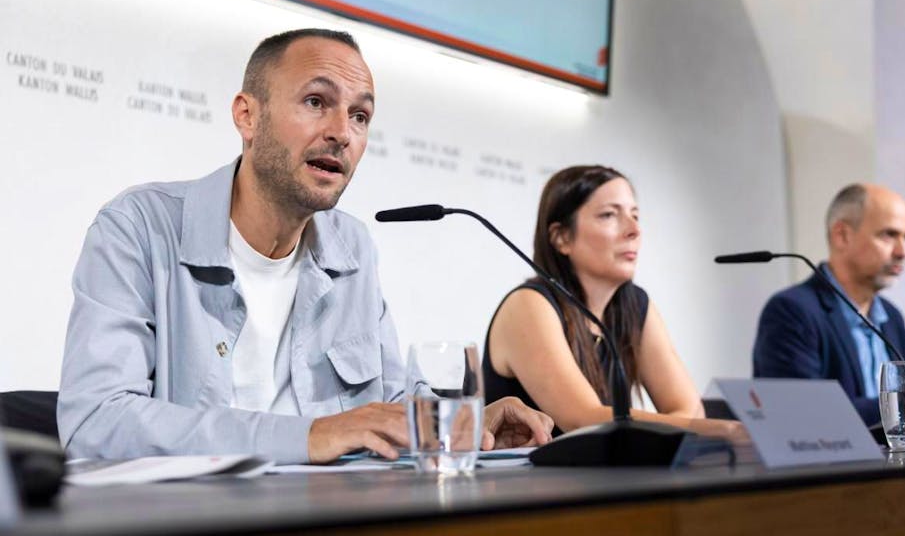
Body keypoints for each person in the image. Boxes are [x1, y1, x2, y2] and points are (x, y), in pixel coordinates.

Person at [57, 29, 552, 465]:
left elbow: (390, 401)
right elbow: (95, 422)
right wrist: (310, 436)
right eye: (317, 102)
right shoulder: (139, 228)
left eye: (360, 116)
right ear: (247, 116)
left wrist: (463, 423)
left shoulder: (352, 246)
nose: (341, 133)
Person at [483, 165, 745, 440]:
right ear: (561, 238)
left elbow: (690, 412)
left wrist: (697, 425)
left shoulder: (634, 304)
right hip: (531, 482)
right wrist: (722, 429)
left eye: (635, 215)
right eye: (609, 215)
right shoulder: (529, 305)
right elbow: (582, 419)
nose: (634, 230)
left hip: (609, 479)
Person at [753, 183, 905, 426]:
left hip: (897, 463)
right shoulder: (792, 310)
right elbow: (800, 415)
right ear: (842, 235)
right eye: (889, 235)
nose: (903, 251)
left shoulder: (891, 316)